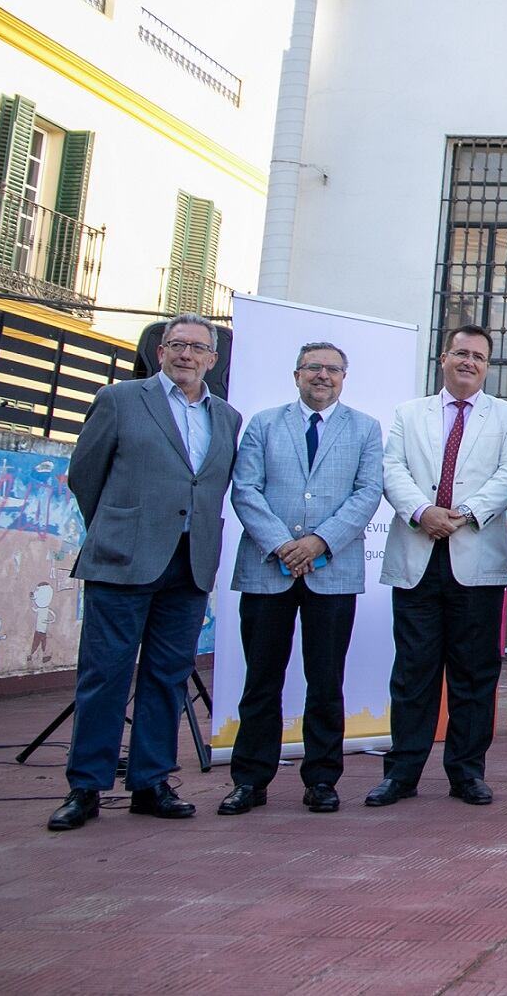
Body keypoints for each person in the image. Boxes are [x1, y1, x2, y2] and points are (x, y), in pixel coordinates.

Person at [49, 313, 243, 831]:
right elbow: (84, 475)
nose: (186, 354)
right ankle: (85, 787)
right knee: (105, 675)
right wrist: (119, 527)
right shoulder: (121, 400)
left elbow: (211, 485)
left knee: (168, 677)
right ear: (159, 352)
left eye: (197, 348)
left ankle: (151, 781)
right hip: (123, 561)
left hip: (190, 564)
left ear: (212, 359)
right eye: (176, 345)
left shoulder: (226, 417)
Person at [365, 325, 507, 809]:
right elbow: (392, 469)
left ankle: (466, 772)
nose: (469, 362)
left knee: (475, 675)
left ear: (488, 365)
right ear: (444, 357)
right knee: (412, 673)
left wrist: (465, 514)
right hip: (418, 557)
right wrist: (422, 512)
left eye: (479, 356)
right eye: (461, 353)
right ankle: (402, 774)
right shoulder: (407, 414)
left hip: (476, 560)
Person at [221, 341, 385, 816]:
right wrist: (282, 545)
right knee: (261, 681)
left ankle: (321, 778)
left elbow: (367, 492)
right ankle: (250, 780)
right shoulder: (263, 424)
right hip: (267, 568)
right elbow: (245, 488)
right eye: (314, 368)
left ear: (343, 378)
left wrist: (318, 543)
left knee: (326, 679)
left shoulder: (365, 429)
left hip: (331, 571)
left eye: (333, 370)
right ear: (296, 375)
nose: (323, 376)